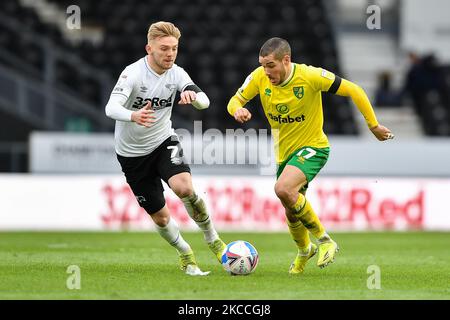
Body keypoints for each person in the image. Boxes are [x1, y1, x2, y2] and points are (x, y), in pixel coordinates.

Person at [227, 37, 394, 275]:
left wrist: (373, 125)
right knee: (290, 206)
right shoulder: (258, 77)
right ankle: (304, 251)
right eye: (263, 65)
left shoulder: (310, 76)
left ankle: (325, 240)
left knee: (283, 189)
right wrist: (238, 109)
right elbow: (234, 100)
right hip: (284, 154)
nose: (266, 71)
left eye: (271, 65)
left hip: (314, 147)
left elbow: (354, 90)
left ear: (286, 60)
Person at [105, 21, 226, 276]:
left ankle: (213, 239)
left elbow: (204, 101)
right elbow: (111, 107)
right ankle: (186, 253)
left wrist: (193, 97)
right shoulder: (132, 73)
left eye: (174, 48)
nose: (170, 54)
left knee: (185, 187)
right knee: (160, 217)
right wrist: (133, 115)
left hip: (163, 141)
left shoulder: (177, 74)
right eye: (164, 49)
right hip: (132, 155)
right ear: (149, 48)